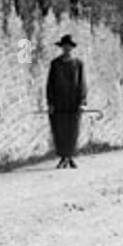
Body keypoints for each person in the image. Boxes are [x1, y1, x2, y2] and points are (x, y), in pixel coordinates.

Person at [46, 34, 86, 169]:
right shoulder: (55, 64)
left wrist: (82, 102)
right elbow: (50, 84)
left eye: (68, 46)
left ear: (71, 48)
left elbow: (82, 83)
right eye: (64, 46)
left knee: (72, 130)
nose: (66, 48)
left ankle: (70, 156)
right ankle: (63, 157)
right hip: (58, 102)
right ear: (61, 47)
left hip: (73, 102)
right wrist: (50, 102)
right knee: (59, 130)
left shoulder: (78, 64)